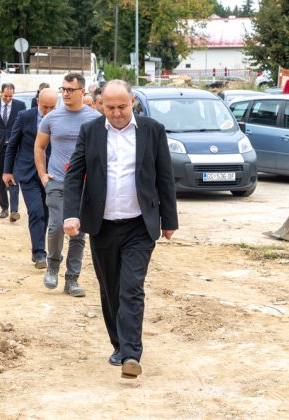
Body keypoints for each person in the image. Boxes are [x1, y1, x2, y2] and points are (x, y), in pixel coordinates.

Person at [62, 80, 178, 379]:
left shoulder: (152, 131)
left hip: (139, 225)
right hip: (102, 226)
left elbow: (164, 176)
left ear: (133, 102)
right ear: (101, 105)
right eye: (110, 107)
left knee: (131, 288)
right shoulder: (90, 131)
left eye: (122, 107)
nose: (116, 113)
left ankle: (131, 354)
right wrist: (71, 214)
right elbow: (75, 175)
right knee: (110, 289)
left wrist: (169, 220)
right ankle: (118, 343)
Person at [34, 72, 100, 297]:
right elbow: (39, 147)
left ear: (82, 91)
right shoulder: (51, 118)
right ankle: (53, 265)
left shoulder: (94, 119)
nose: (65, 94)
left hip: (83, 185)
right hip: (57, 181)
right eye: (63, 89)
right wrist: (43, 175)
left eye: (70, 90)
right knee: (55, 226)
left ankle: (72, 279)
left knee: (78, 233)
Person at [3, 88, 58, 269]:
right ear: (37, 102)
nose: (48, 111)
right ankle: (40, 253)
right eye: (45, 107)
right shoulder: (25, 116)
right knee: (36, 211)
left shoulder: (60, 118)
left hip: (50, 173)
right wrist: (7, 171)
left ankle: (39, 247)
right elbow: (13, 144)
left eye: (52, 107)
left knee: (46, 212)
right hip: (28, 172)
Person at [0, 83, 26, 221]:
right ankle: (4, 208)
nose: (8, 98)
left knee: (13, 177)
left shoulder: (20, 105)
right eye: (5, 96)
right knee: (0, 178)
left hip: (15, 147)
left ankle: (14, 210)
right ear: (0, 92)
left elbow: (24, 126)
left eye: (10, 96)